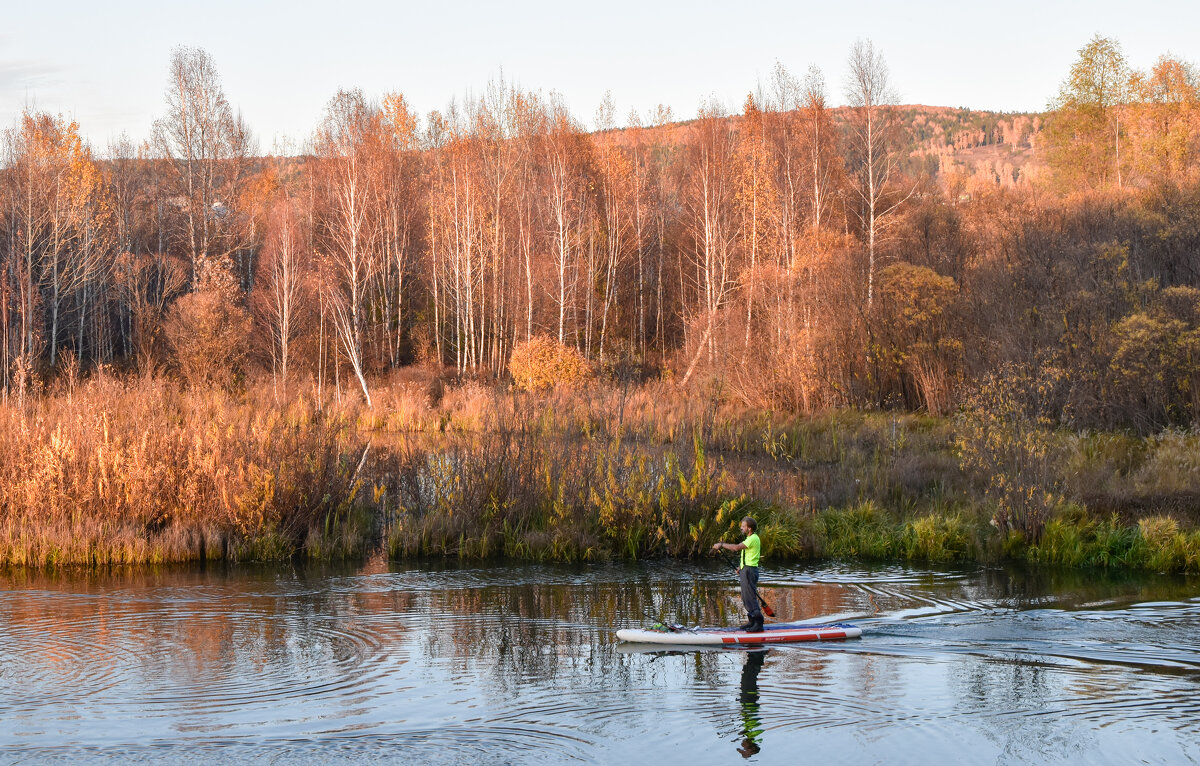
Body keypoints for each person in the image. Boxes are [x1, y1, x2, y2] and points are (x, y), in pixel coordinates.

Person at [712, 516, 763, 632]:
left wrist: (721, 544)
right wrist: (741, 567)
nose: (741, 528)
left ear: (749, 528)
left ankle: (759, 623)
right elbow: (749, 555)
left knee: (750, 597)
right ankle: (752, 621)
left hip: (750, 571)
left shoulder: (753, 538)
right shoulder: (749, 538)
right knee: (745, 597)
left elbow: (736, 548)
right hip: (746, 569)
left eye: (743, 526)